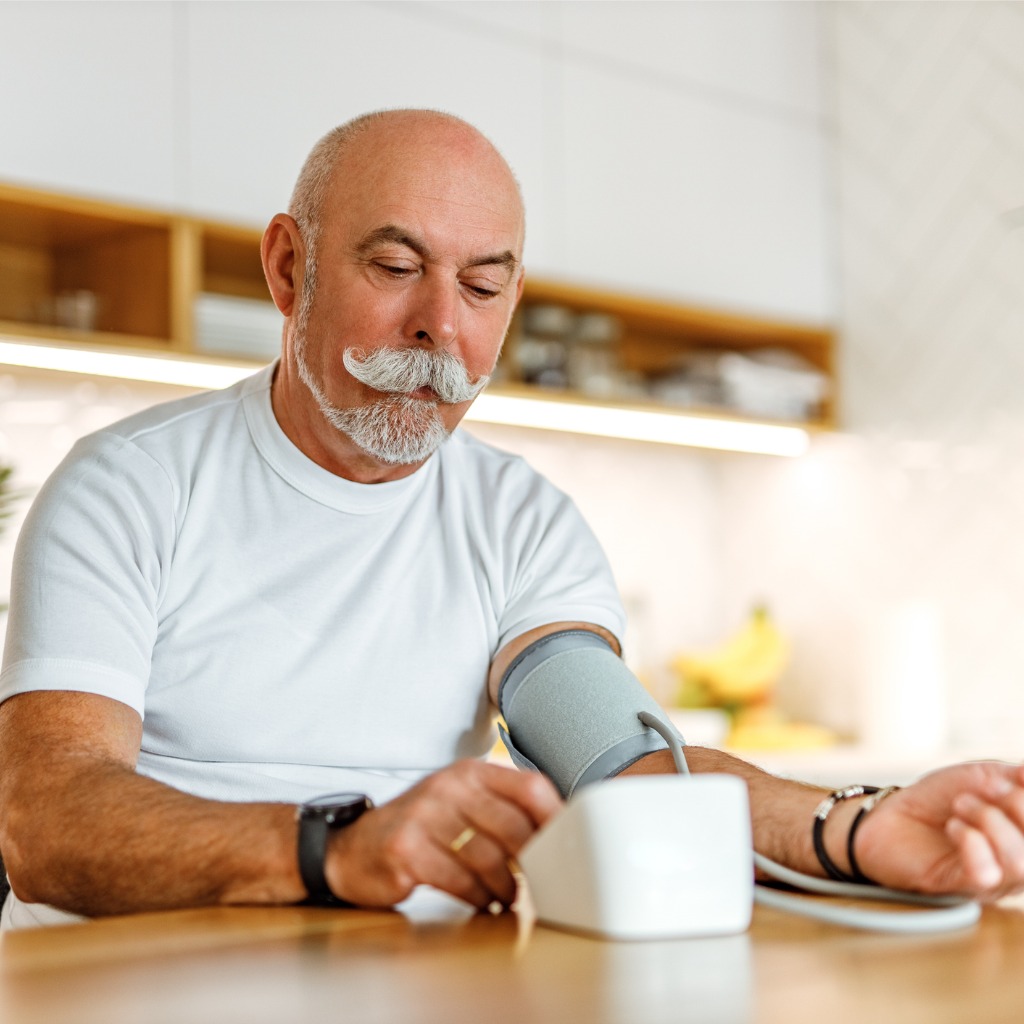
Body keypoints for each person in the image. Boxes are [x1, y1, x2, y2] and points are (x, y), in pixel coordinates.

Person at [1, 109, 1023, 930]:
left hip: (409, 980)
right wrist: (335, 848)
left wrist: (857, 827)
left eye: (481, 286)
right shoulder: (130, 485)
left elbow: (622, 765)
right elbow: (43, 816)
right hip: (128, 973)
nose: (439, 326)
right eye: (395, 268)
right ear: (286, 269)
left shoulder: (518, 519)